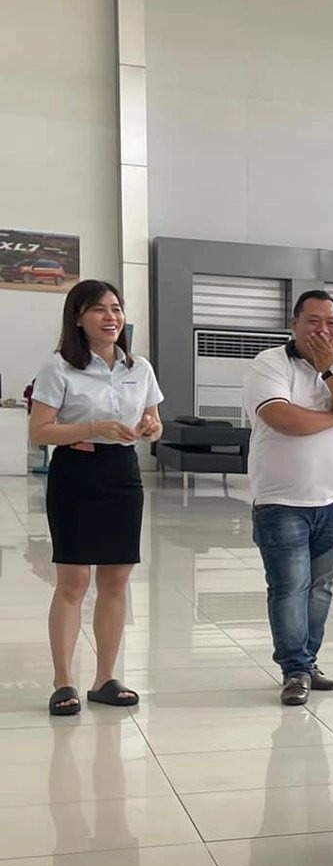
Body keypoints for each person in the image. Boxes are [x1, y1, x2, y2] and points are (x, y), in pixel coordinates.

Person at [26, 279, 164, 714]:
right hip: (76, 472)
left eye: (116, 308)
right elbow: (40, 431)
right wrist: (94, 427)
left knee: (115, 581)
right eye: (100, 309)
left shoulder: (138, 368)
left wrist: (150, 428)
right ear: (78, 318)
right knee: (73, 581)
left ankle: (105, 677)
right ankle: (63, 681)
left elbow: (154, 420)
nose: (111, 317)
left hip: (122, 474)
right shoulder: (59, 367)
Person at [245, 290, 333, 706]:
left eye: (332, 323)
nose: (323, 330)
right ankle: (295, 670)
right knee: (290, 586)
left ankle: (307, 662)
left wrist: (329, 371)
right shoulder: (271, 363)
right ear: (294, 325)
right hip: (280, 503)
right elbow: (282, 418)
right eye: (313, 322)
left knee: (320, 587)